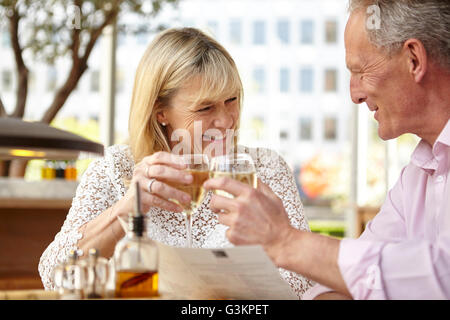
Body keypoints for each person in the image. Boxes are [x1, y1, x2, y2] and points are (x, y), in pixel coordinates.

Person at [38, 27, 314, 298]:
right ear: (161, 112)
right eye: (205, 108)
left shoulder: (264, 168)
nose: (227, 120)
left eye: (232, 100)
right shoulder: (114, 169)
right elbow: (55, 276)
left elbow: (304, 284)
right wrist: (127, 208)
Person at [204, 0, 450, 300]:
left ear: (414, 59)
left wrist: (285, 241)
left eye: (360, 71)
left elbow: (441, 275)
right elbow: (353, 276)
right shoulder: (419, 174)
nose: (354, 94)